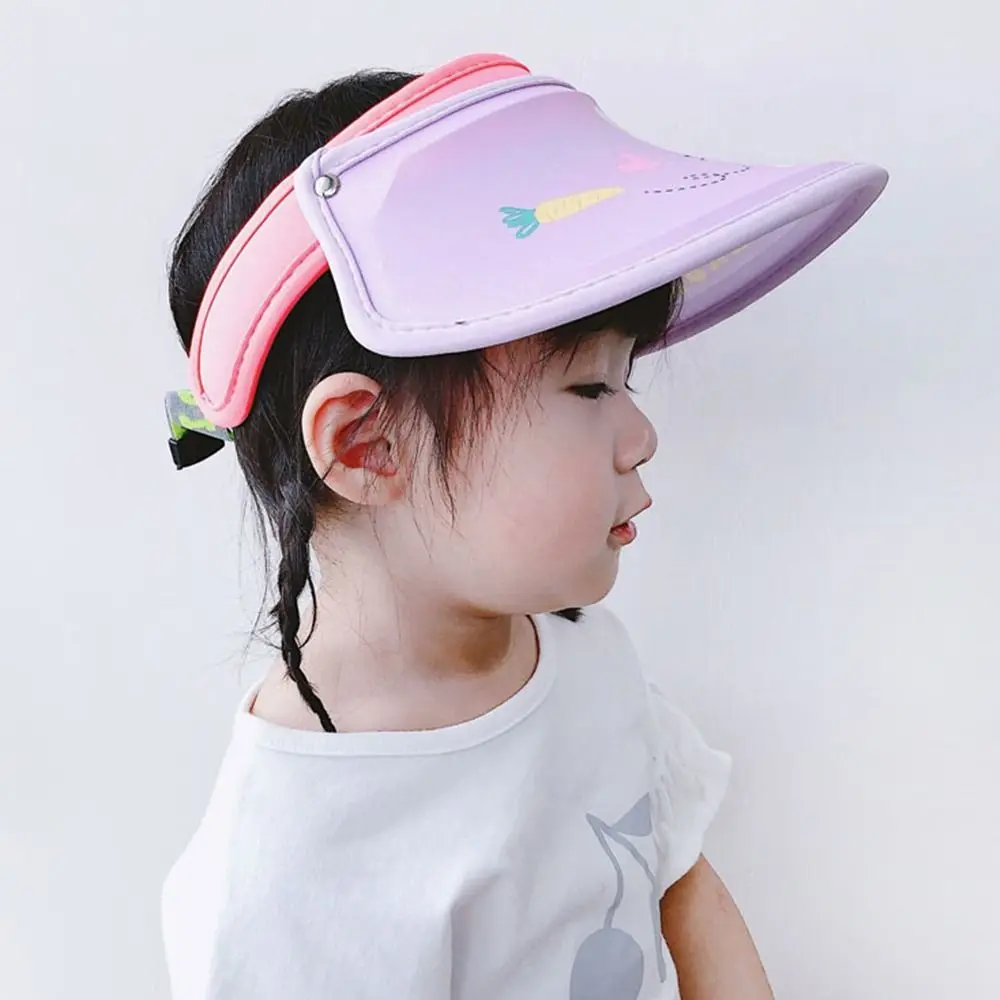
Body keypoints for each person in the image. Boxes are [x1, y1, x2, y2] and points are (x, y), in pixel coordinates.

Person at [159, 54, 887, 999]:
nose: (641, 436)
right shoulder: (291, 872)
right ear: (369, 444)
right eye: (589, 387)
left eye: (627, 379)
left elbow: (681, 886)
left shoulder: (584, 659)